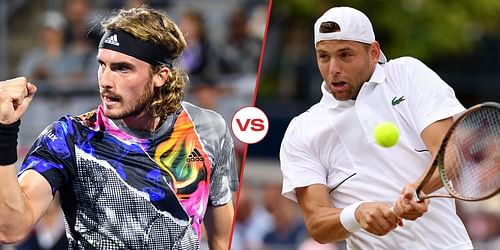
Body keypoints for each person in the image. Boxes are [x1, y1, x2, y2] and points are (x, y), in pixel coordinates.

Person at [0, 6, 237, 250]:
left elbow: (220, 237)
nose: (105, 81)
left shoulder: (209, 130)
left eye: (122, 68)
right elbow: (10, 228)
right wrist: (5, 131)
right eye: (102, 65)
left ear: (161, 76)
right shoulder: (69, 137)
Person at [279, 6, 473, 249]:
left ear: (373, 52)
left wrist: (417, 189)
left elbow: (450, 158)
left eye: (345, 55)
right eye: (324, 56)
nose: (333, 69)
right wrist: (357, 214)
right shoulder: (302, 130)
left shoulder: (407, 74)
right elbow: (317, 224)